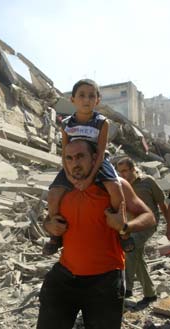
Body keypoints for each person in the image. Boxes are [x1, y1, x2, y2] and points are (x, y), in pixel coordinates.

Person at [37, 139, 155, 329]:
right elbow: (49, 221)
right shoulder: (61, 189)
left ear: (94, 158)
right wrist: (49, 226)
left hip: (105, 280)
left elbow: (149, 217)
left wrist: (125, 226)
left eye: (80, 156)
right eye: (69, 158)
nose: (75, 163)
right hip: (66, 276)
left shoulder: (116, 185)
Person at [44, 79, 126, 255]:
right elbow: (64, 151)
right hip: (73, 163)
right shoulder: (66, 123)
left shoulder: (102, 122)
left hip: (97, 162)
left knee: (116, 188)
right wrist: (69, 174)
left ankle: (122, 232)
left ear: (98, 100)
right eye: (81, 95)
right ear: (72, 99)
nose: (86, 99)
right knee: (53, 194)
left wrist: (89, 178)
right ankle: (55, 235)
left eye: (91, 96)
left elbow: (101, 151)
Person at [116, 157, 169, 307]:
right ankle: (150, 294)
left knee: (130, 247)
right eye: (120, 172)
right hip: (132, 225)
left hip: (149, 224)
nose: (123, 174)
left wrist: (169, 227)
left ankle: (127, 288)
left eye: (125, 170)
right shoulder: (121, 185)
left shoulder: (148, 181)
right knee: (138, 257)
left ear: (133, 169)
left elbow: (162, 204)